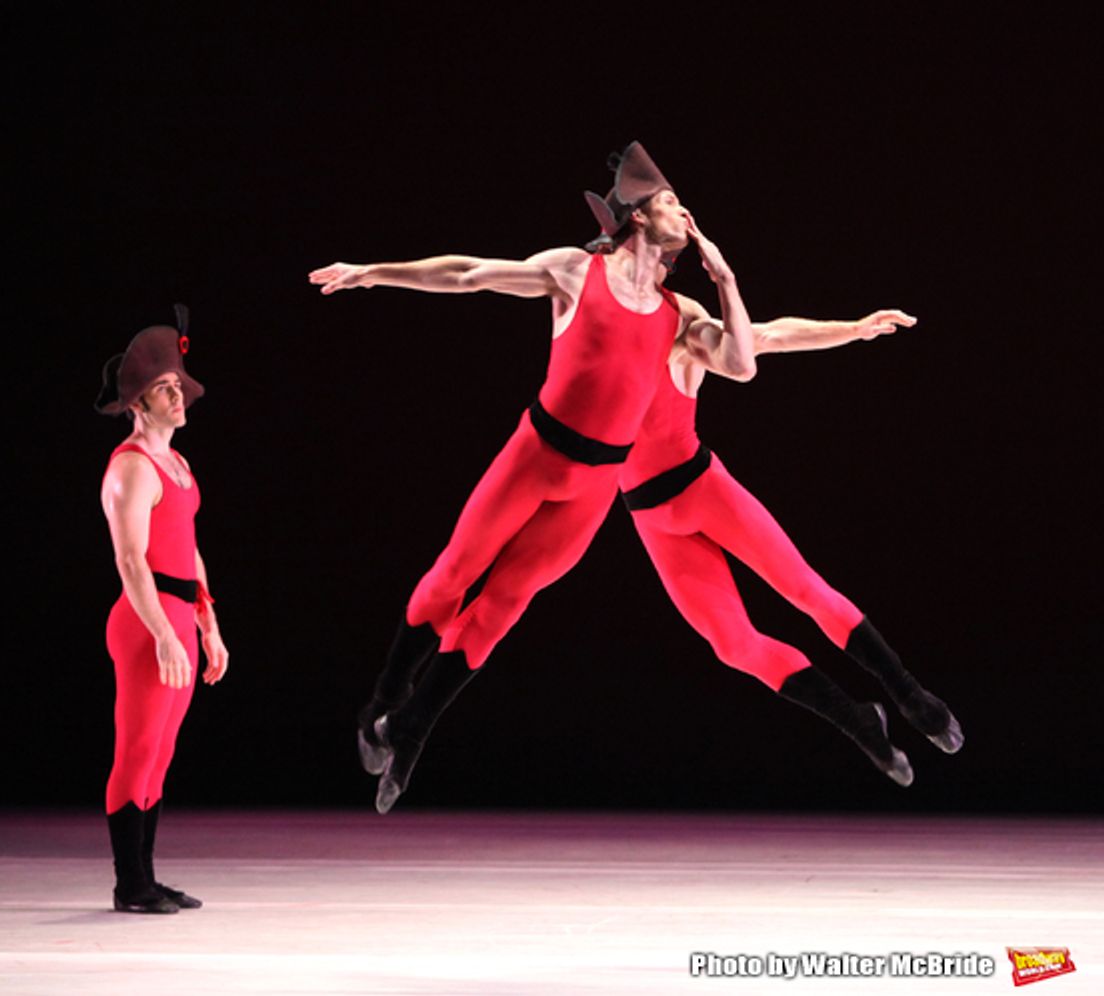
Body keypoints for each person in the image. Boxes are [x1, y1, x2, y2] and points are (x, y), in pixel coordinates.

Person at [310, 142, 757, 813]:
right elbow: (469, 274)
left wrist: (726, 279)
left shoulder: (679, 312)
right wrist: (375, 272)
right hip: (536, 457)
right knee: (454, 576)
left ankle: (411, 729)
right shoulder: (576, 271)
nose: (685, 211)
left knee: (504, 604)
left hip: (595, 487)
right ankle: (383, 700)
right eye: (670, 201)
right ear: (637, 216)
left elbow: (743, 365)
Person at [620, 309, 963, 786]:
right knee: (732, 645)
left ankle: (908, 693)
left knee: (805, 591)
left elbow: (768, 336)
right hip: (650, 515)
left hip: (702, 490)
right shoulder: (590, 329)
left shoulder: (676, 322)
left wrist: (851, 330)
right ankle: (857, 719)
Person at [95, 305, 229, 913]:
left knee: (162, 752)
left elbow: (190, 551)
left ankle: (147, 875)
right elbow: (131, 560)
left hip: (177, 617)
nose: (178, 395)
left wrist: (208, 625)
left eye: (178, 384)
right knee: (138, 747)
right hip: (144, 621)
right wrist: (163, 634)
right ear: (138, 403)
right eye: (164, 388)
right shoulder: (132, 467)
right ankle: (130, 883)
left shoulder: (178, 465)